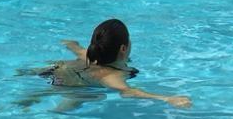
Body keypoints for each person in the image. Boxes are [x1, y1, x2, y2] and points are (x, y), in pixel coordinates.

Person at [28, 19, 191, 109]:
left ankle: (29, 98)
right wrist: (167, 98)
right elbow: (130, 92)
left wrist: (70, 43)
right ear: (123, 48)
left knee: (40, 91)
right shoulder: (112, 76)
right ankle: (54, 113)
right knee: (91, 95)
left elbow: (73, 46)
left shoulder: (88, 54)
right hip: (70, 85)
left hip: (54, 69)